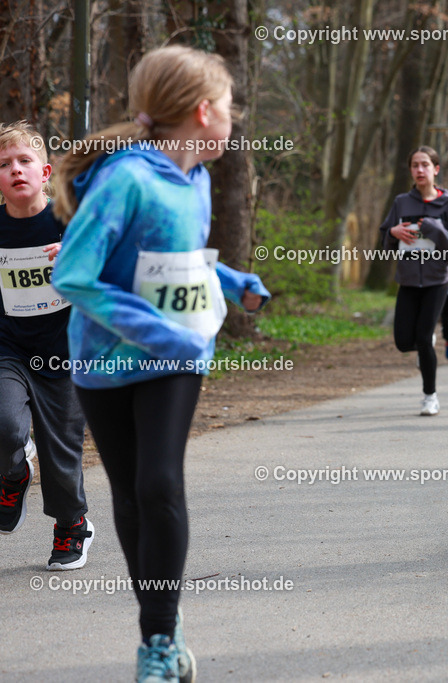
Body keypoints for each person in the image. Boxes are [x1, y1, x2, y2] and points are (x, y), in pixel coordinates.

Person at [51, 46, 270, 682]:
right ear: (202, 112)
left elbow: (176, 259)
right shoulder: (126, 179)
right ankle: (161, 632)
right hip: (105, 361)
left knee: (158, 484)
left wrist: (231, 281)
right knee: (128, 494)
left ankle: (158, 641)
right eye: (228, 105)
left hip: (177, 358)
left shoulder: (195, 178)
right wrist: (157, 332)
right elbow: (74, 274)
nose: (233, 116)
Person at [0, 122, 92, 571]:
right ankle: (14, 472)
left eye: (25, 161)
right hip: (9, 349)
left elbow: (108, 271)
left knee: (61, 453)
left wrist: (77, 258)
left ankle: (72, 525)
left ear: (45, 172)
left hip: (65, 351)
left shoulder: (70, 222)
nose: (15, 170)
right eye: (4, 164)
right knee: (4, 425)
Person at [380, 146, 448, 416]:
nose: (420, 170)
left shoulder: (447, 204)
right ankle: (424, 342)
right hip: (407, 279)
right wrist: (393, 232)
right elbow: (384, 241)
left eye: (425, 165)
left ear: (435, 169)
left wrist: (437, 229)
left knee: (422, 337)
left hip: (436, 280)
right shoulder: (401, 203)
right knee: (403, 342)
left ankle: (430, 397)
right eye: (415, 165)